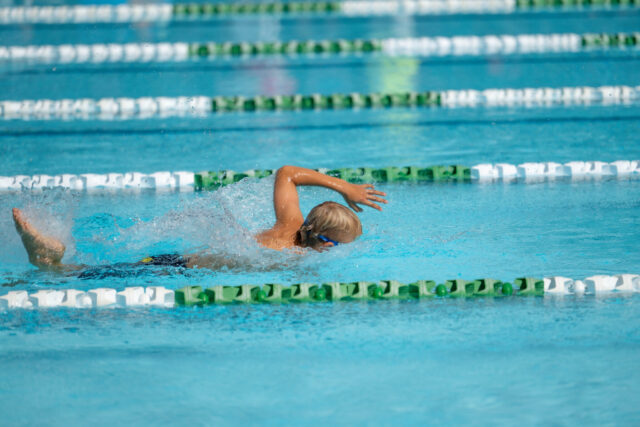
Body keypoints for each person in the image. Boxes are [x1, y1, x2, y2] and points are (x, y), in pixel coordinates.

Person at [12, 165, 387, 274]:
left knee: (104, 269)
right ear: (321, 240)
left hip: (178, 259)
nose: (333, 251)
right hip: (174, 270)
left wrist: (344, 188)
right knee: (72, 274)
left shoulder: (289, 225)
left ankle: (50, 256)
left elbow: (287, 173)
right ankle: (47, 258)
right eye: (335, 246)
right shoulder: (293, 253)